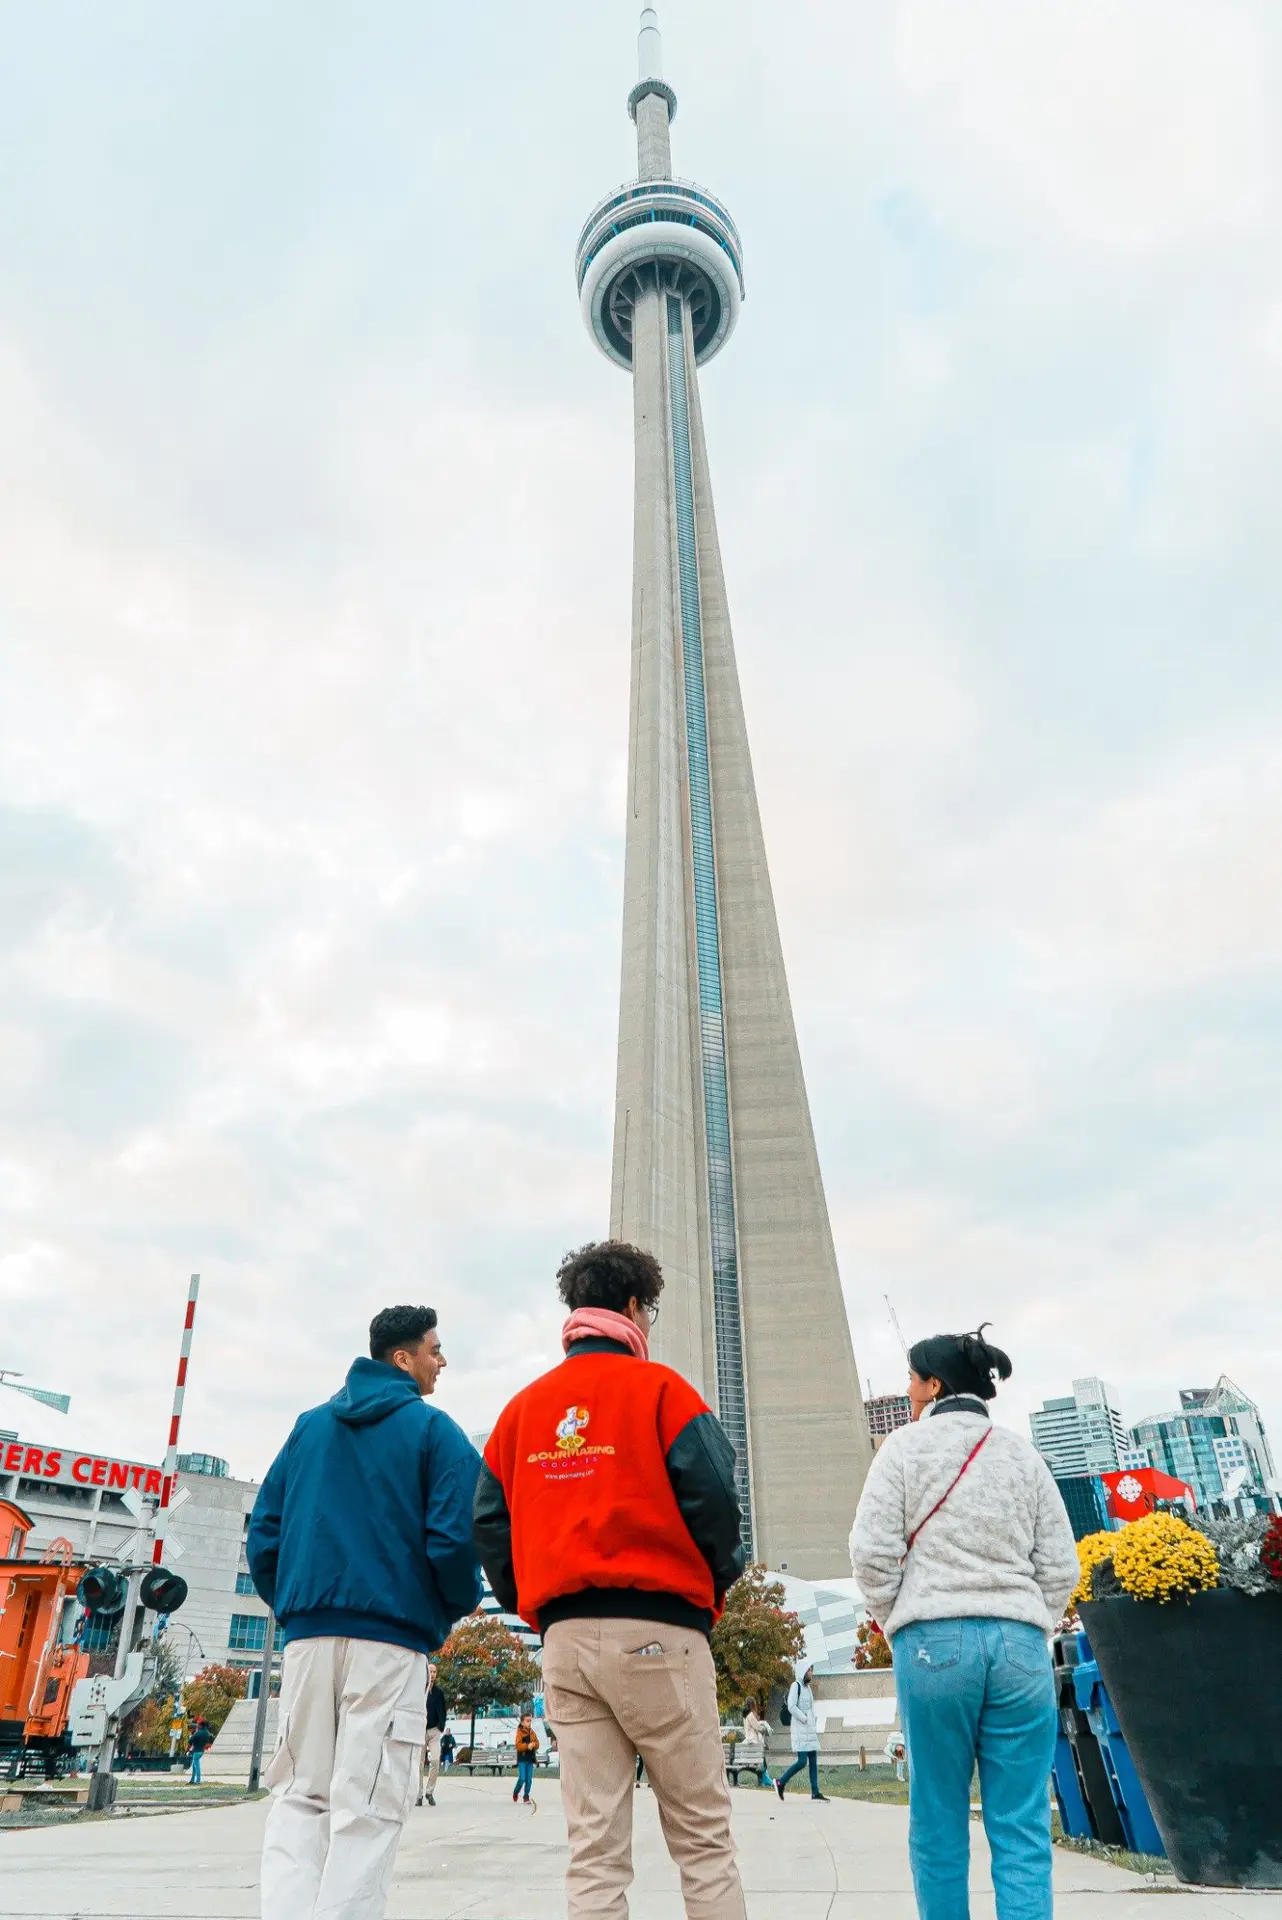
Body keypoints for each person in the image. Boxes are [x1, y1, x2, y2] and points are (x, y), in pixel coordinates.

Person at [474, 1239, 748, 1920]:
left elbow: (489, 1523)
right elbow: (715, 1498)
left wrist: (535, 1604)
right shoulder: (665, 1393)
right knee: (703, 1843)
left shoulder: (520, 1413)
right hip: (660, 1630)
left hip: (565, 1640)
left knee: (594, 1853)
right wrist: (716, 1583)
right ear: (632, 1307)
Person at [248, 1304, 482, 1920]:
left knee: (301, 1795)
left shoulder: (307, 1428)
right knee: (370, 1805)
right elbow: (456, 1541)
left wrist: (297, 1605)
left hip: (308, 1638)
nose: (443, 1360)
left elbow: (264, 1532)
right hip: (390, 1640)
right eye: (435, 1349)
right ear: (402, 1358)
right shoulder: (437, 1434)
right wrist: (448, 1606)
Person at [850, 1325, 1079, 1920]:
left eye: (911, 1378)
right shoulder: (1022, 1454)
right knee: (1022, 1824)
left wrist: (895, 1619)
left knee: (938, 1818)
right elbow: (1059, 1564)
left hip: (934, 1643)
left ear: (933, 1385)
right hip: (1021, 1646)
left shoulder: (902, 1449)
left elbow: (871, 1553)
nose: (906, 1389)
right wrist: (1034, 1622)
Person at [774, 1660, 828, 1802]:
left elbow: (809, 1707)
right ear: (803, 1671)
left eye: (812, 1670)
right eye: (809, 1670)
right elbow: (791, 1706)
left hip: (809, 1730)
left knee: (813, 1760)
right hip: (800, 1730)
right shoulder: (795, 1686)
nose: (811, 1673)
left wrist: (811, 1721)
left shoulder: (807, 1688)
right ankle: (780, 1782)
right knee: (802, 1761)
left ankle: (815, 1792)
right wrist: (804, 1718)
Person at [417, 1662, 447, 1807]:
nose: (433, 1674)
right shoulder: (418, 1690)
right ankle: (418, 1794)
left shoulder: (439, 1693)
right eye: (430, 1671)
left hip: (434, 1730)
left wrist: (441, 1727)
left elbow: (443, 1710)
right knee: (419, 1764)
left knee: (435, 1760)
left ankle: (430, 1791)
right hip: (420, 1730)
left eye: (435, 1672)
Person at [741, 1701, 773, 1788]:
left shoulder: (744, 1715)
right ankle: (765, 1781)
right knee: (763, 1764)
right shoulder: (750, 1715)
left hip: (749, 1742)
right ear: (753, 1704)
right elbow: (757, 1727)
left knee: (760, 1763)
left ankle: (763, 1781)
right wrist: (764, 1728)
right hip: (754, 1742)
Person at [514, 1711, 539, 1808]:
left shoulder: (532, 1732)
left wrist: (534, 1745)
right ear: (522, 1722)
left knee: (529, 1780)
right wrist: (526, 1746)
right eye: (527, 1721)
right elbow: (518, 1745)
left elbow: (537, 1743)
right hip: (522, 1759)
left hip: (530, 1759)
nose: (529, 1723)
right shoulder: (519, 1733)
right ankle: (516, 1792)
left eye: (530, 1721)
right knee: (522, 1778)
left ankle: (526, 1796)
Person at [188, 1717, 214, 1786]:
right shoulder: (206, 1732)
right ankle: (192, 1780)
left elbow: (190, 1741)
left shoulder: (198, 1732)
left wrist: (187, 1750)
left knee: (197, 1766)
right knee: (194, 1766)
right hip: (201, 1751)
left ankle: (198, 1781)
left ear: (201, 1725)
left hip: (196, 1751)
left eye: (198, 1725)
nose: (197, 1726)